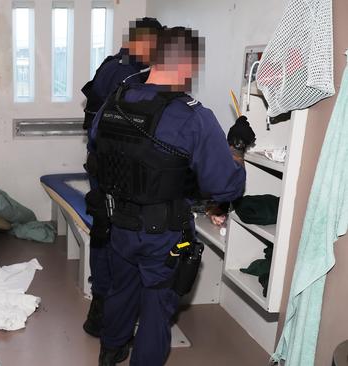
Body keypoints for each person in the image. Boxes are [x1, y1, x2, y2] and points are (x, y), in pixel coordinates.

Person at [86, 27, 255, 366]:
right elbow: (225, 186)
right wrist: (235, 148)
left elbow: (96, 148)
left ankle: (110, 352)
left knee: (121, 291)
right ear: (189, 66)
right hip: (161, 234)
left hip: (117, 224)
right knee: (156, 306)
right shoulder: (194, 116)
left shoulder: (115, 100)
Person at [81, 18, 164, 348]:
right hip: (117, 172)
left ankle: (102, 309)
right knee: (113, 235)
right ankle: (106, 310)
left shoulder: (111, 65)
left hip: (103, 166)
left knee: (104, 229)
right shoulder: (129, 74)